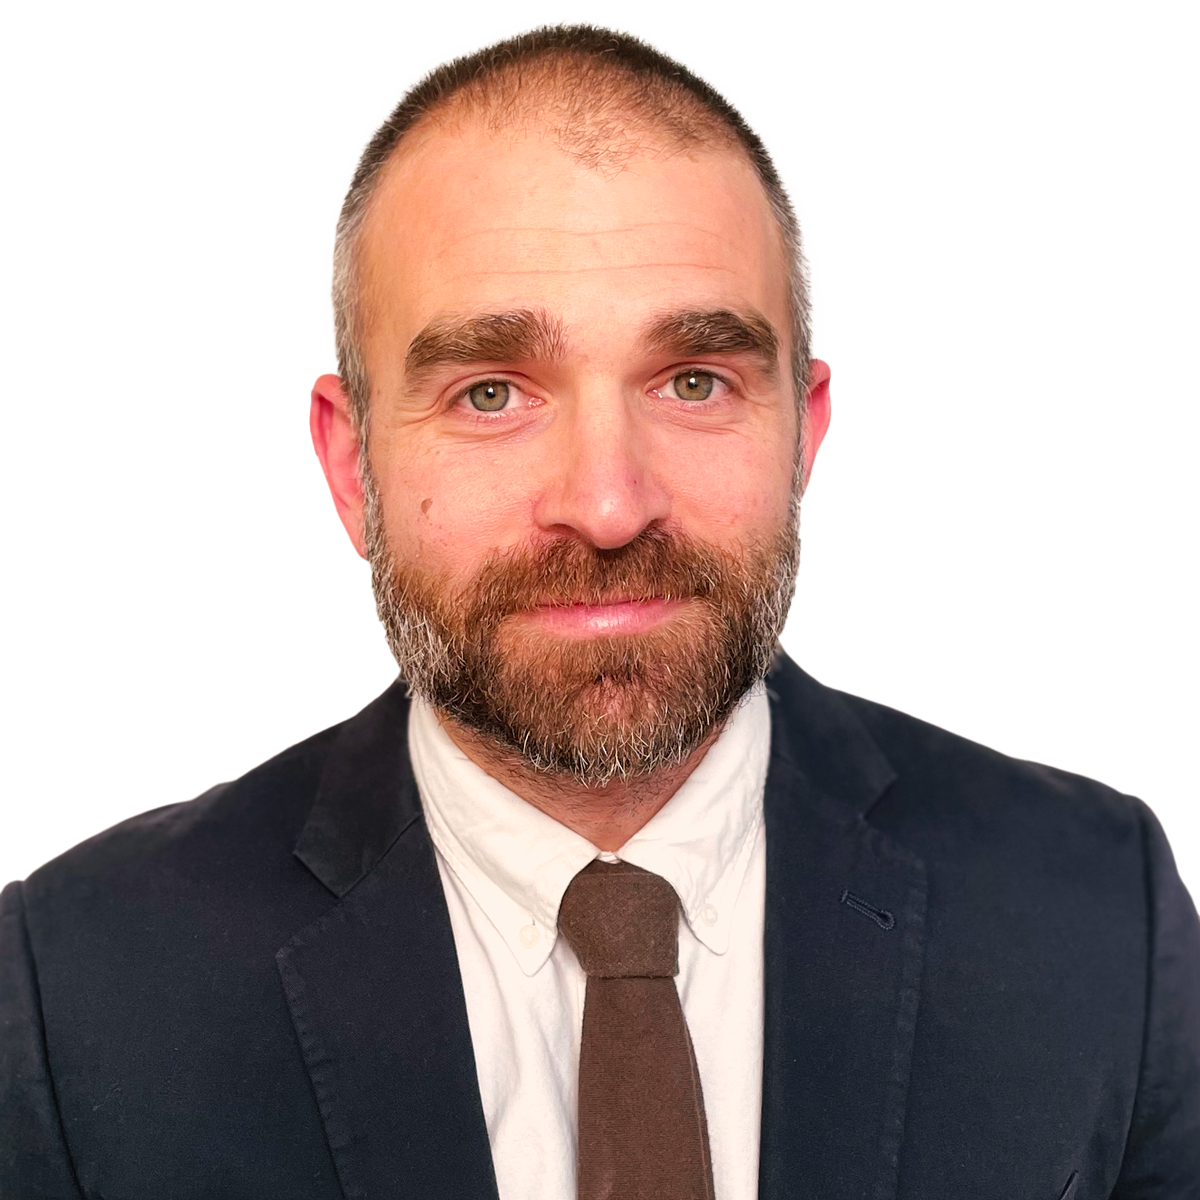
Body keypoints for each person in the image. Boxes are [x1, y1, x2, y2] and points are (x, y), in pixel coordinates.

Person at [1, 22, 1196, 1200]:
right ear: (351, 464)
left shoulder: (1100, 917)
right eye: (490, 393)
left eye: (695, 381)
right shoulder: (73, 992)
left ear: (803, 432)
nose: (610, 505)